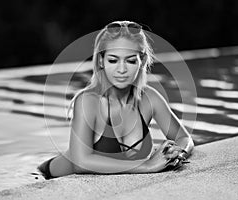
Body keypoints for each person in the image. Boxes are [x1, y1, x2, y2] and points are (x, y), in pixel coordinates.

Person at [38, 20, 194, 179]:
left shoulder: (150, 98)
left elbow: (184, 138)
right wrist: (147, 165)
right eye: (113, 60)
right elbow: (80, 163)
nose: (122, 70)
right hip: (46, 175)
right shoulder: (88, 101)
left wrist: (176, 154)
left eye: (131, 60)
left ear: (143, 61)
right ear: (101, 61)